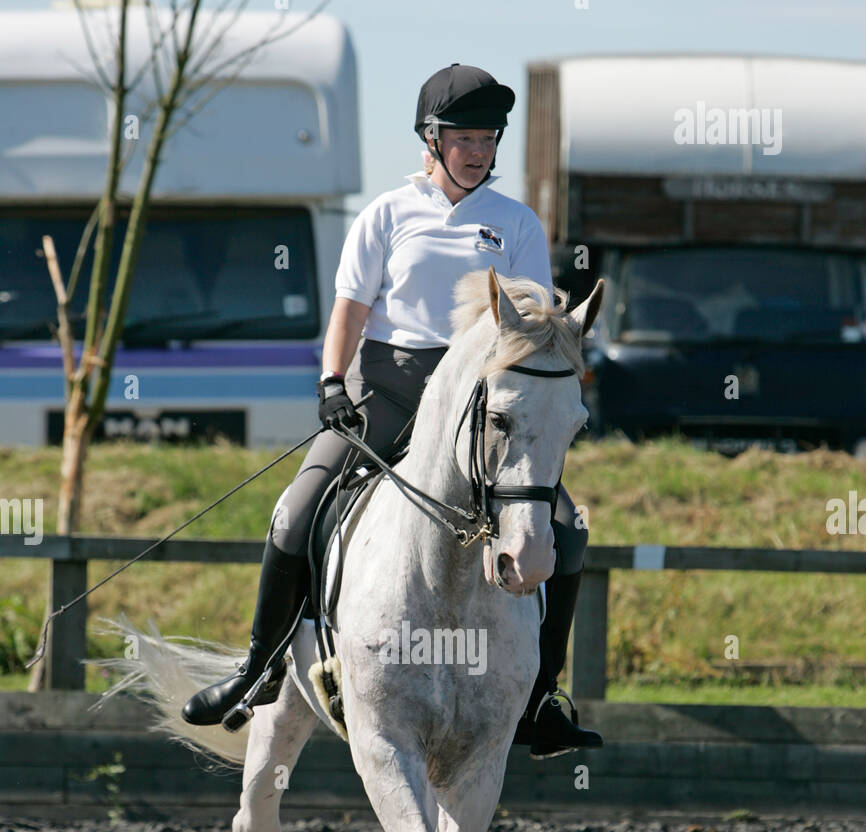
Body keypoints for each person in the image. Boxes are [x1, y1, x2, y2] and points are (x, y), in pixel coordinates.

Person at [182, 63, 602, 756]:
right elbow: (349, 313)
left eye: (489, 138)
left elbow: (528, 330)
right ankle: (256, 668)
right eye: (463, 137)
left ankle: (539, 697)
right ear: (431, 140)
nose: (478, 151)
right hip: (390, 387)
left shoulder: (517, 223)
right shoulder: (386, 214)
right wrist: (330, 384)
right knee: (295, 509)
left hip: (478, 401)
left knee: (567, 528)